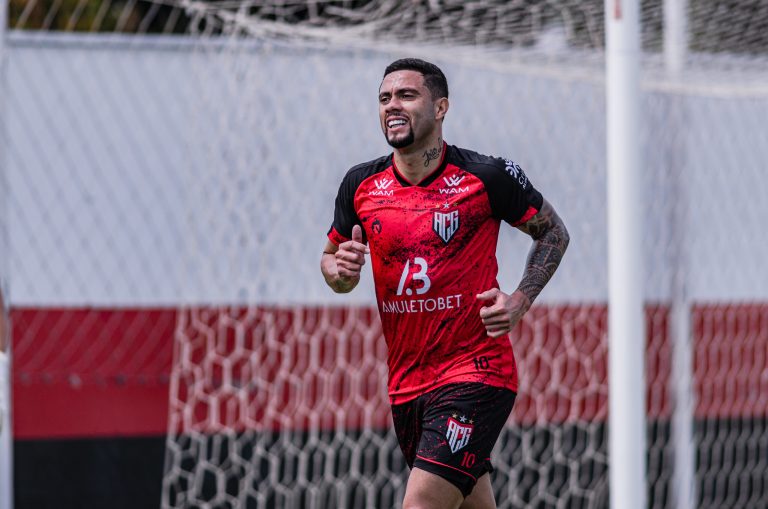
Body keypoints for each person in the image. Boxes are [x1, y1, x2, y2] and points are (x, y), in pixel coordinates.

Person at [320, 58, 569, 509]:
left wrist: (519, 301)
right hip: (407, 385)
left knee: (421, 504)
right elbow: (331, 259)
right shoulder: (359, 185)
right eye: (384, 98)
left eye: (406, 95)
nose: (392, 105)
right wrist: (339, 272)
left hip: (476, 371)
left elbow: (553, 232)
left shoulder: (486, 176)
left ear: (440, 108)